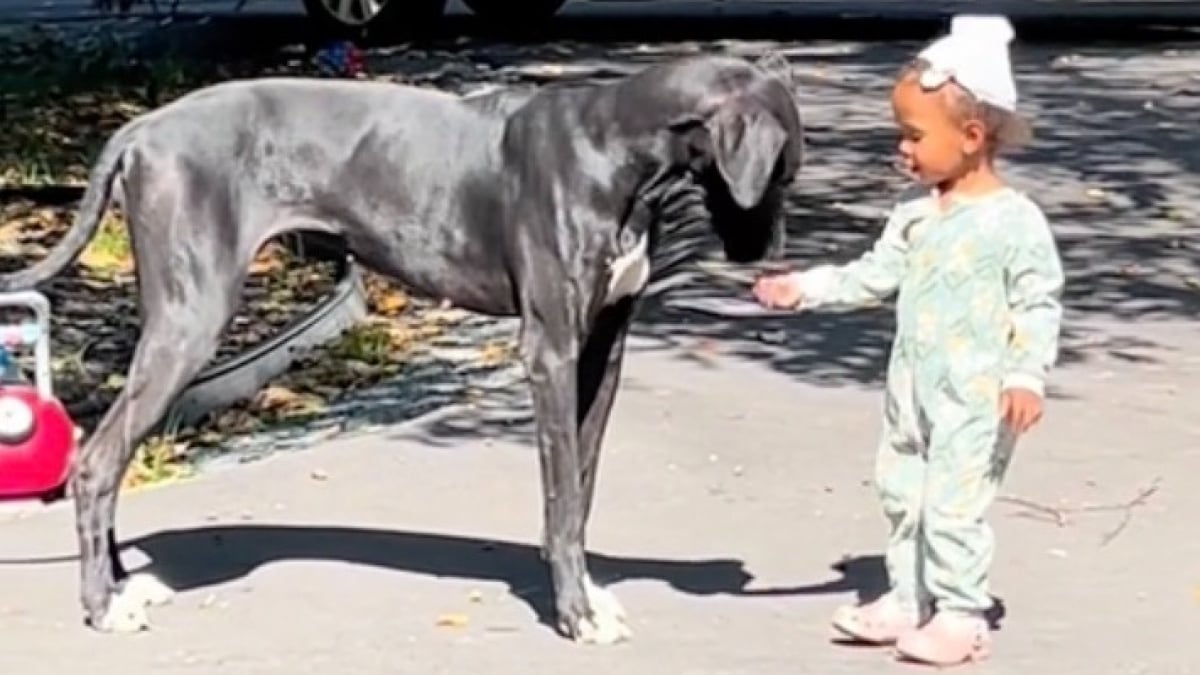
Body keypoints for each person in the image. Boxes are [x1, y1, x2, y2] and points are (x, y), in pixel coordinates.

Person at [751, 14, 1065, 667]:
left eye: (915, 136)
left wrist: (1025, 375)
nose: (903, 149)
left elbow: (1038, 302)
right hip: (911, 392)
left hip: (977, 397)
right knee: (902, 491)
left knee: (953, 504)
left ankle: (960, 612)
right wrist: (804, 286)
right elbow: (874, 274)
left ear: (973, 136)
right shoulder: (915, 215)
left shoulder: (1015, 222)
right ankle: (907, 593)